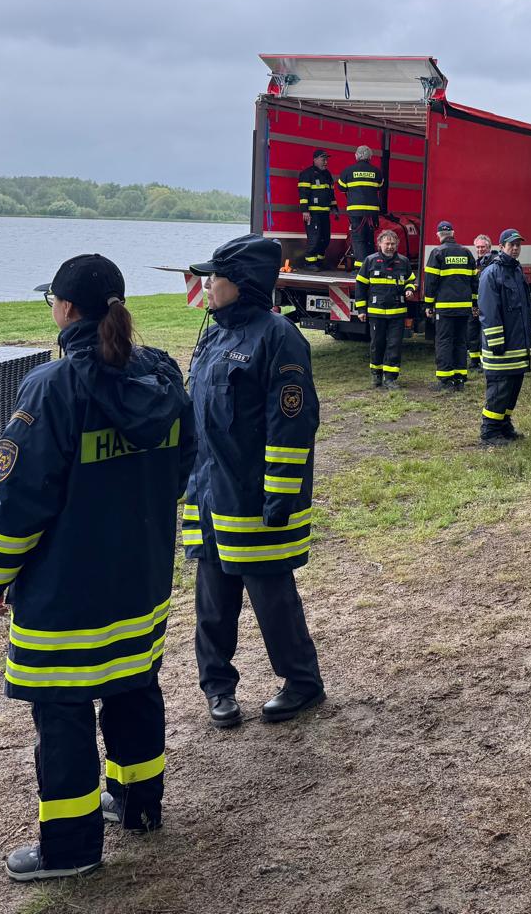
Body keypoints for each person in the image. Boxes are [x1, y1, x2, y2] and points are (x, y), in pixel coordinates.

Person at [0, 254, 194, 882]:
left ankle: (70, 849)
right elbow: (182, 468)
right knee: (133, 686)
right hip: (140, 579)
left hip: (66, 594)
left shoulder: (52, 387)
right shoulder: (162, 374)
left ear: (65, 309)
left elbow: (19, 503)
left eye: (53, 301)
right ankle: (138, 804)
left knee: (63, 710)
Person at [184, 234, 325, 728]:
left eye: (214, 276)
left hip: (251, 497)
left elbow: (293, 420)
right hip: (207, 493)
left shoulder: (278, 337)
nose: (206, 284)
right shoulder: (213, 333)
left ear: (240, 284)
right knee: (212, 600)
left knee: (272, 596)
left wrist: (281, 492)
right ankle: (218, 689)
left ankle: (302, 683)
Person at [477, 227, 531, 445]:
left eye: (518, 244)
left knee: (512, 388)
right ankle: (489, 431)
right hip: (501, 348)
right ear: (501, 247)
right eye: (512, 244)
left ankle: (504, 424)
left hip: (518, 346)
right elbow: (489, 312)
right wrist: (496, 342)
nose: (516, 248)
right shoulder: (492, 273)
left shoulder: (517, 271)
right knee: (499, 390)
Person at [355, 227, 417, 389]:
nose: (390, 247)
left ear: (397, 245)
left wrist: (410, 289)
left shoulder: (403, 262)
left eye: (393, 244)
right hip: (376, 312)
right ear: (379, 244)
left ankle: (391, 378)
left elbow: (410, 280)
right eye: (387, 243)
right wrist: (361, 310)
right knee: (377, 344)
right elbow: (360, 286)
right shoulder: (370, 261)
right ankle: (376, 375)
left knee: (394, 345)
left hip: (397, 313)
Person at [423, 220, 478, 391]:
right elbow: (474, 281)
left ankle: (445, 379)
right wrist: (474, 303)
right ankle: (460, 378)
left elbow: (431, 282)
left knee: (444, 341)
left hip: (445, 307)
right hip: (464, 307)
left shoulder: (437, 252)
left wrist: (428, 304)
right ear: (453, 233)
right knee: (461, 341)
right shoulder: (467, 253)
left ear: (438, 235)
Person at [336, 144, 385, 266]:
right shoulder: (376, 172)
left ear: (356, 156)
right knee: (369, 238)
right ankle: (370, 266)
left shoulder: (348, 171)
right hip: (372, 212)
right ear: (370, 157)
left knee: (358, 238)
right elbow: (381, 186)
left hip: (356, 211)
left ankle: (360, 267)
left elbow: (341, 188)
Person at [296, 149, 336, 267]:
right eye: (323, 160)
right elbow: (303, 193)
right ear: (315, 160)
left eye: (326, 160)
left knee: (325, 238)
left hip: (325, 213)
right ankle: (310, 262)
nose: (326, 162)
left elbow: (331, 193)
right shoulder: (307, 174)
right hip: (313, 213)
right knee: (315, 238)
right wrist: (305, 210)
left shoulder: (327, 174)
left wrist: (334, 207)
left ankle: (319, 261)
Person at [467, 233, 495, 376]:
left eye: (483, 247)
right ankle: (474, 362)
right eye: (477, 247)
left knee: (486, 334)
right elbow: (472, 286)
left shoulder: (493, 263)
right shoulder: (475, 264)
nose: (480, 250)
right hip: (476, 306)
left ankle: (486, 362)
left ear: (489, 247)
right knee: (472, 333)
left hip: (488, 307)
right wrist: (474, 305)